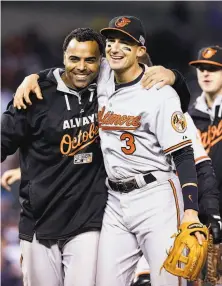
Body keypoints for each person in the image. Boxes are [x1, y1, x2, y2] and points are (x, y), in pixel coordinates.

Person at [94, 15, 207, 286]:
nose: (115, 48)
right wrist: (35, 78)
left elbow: (183, 153)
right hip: (115, 201)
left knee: (168, 282)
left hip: (156, 198)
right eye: (111, 41)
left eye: (126, 43)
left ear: (141, 51)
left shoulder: (158, 92)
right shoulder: (102, 74)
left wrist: (191, 210)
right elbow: (70, 68)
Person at [1, 27, 109, 286]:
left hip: (88, 222)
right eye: (74, 59)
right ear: (63, 58)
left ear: (101, 61)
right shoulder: (34, 96)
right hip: (39, 222)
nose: (81, 67)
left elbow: (137, 66)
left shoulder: (109, 91)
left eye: (90, 60)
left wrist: (171, 75)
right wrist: (37, 77)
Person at [189, 45, 222, 218]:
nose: (205, 73)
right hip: (200, 210)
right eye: (201, 68)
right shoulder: (188, 115)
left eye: (213, 68)